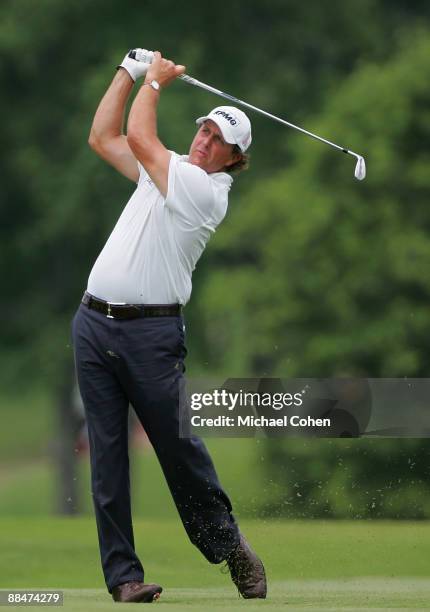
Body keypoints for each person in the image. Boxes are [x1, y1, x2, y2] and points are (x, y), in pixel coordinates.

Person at [71, 48, 266, 604]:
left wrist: (153, 83)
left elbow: (138, 138)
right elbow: (104, 137)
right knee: (107, 461)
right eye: (203, 130)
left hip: (151, 338)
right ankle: (125, 578)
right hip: (92, 325)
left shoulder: (205, 193)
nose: (204, 141)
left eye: (217, 141)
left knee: (180, 454)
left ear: (233, 159)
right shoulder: (170, 169)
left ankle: (231, 549)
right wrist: (127, 74)